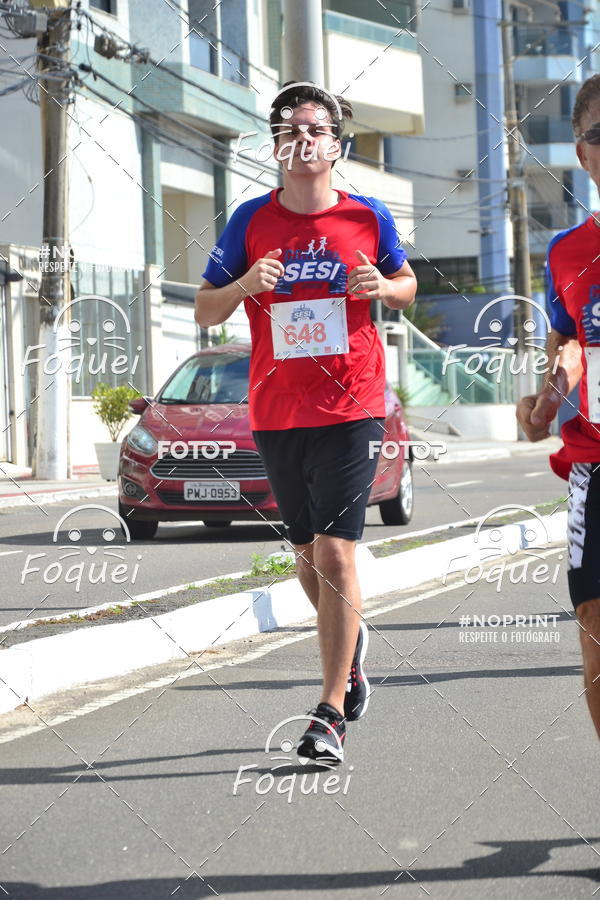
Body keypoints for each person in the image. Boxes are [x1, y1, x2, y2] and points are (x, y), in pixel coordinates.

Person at [195, 82, 417, 764]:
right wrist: (245, 285)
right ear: (275, 147)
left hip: (353, 407)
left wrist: (383, 287)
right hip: (277, 410)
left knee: (335, 552)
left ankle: (328, 714)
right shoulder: (249, 221)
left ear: (336, 146)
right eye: (290, 129)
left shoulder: (367, 216)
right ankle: (351, 655)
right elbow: (205, 309)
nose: (303, 139)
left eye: (316, 129)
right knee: (303, 555)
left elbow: (407, 287)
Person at [517, 73, 600, 740]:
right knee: (594, 623)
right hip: (594, 463)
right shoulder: (568, 252)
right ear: (581, 151)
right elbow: (567, 341)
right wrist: (546, 400)